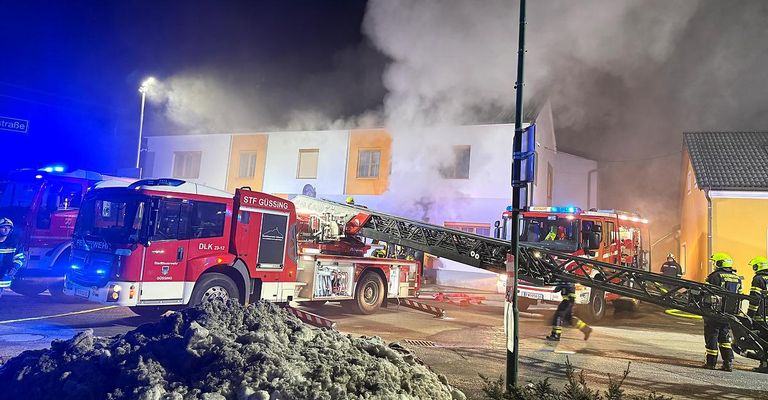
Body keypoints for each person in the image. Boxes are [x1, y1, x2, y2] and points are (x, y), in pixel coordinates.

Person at [703, 252, 742, 371]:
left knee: (712, 335)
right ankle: (728, 362)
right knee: (725, 337)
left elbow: (707, 293)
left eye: (715, 262)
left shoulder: (715, 276)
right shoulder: (737, 278)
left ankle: (711, 363)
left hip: (714, 312)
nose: (714, 265)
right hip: (729, 313)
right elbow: (739, 295)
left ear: (720, 263)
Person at [747, 256, 768, 372]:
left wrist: (750, 315)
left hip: (762, 315)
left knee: (762, 340)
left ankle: (764, 365)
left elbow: (755, 299)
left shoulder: (758, 279)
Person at [0, 218, 25, 298]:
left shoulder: (14, 243)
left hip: (4, 274)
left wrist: (14, 268)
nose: (6, 229)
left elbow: (19, 258)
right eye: (3, 227)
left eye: (9, 227)